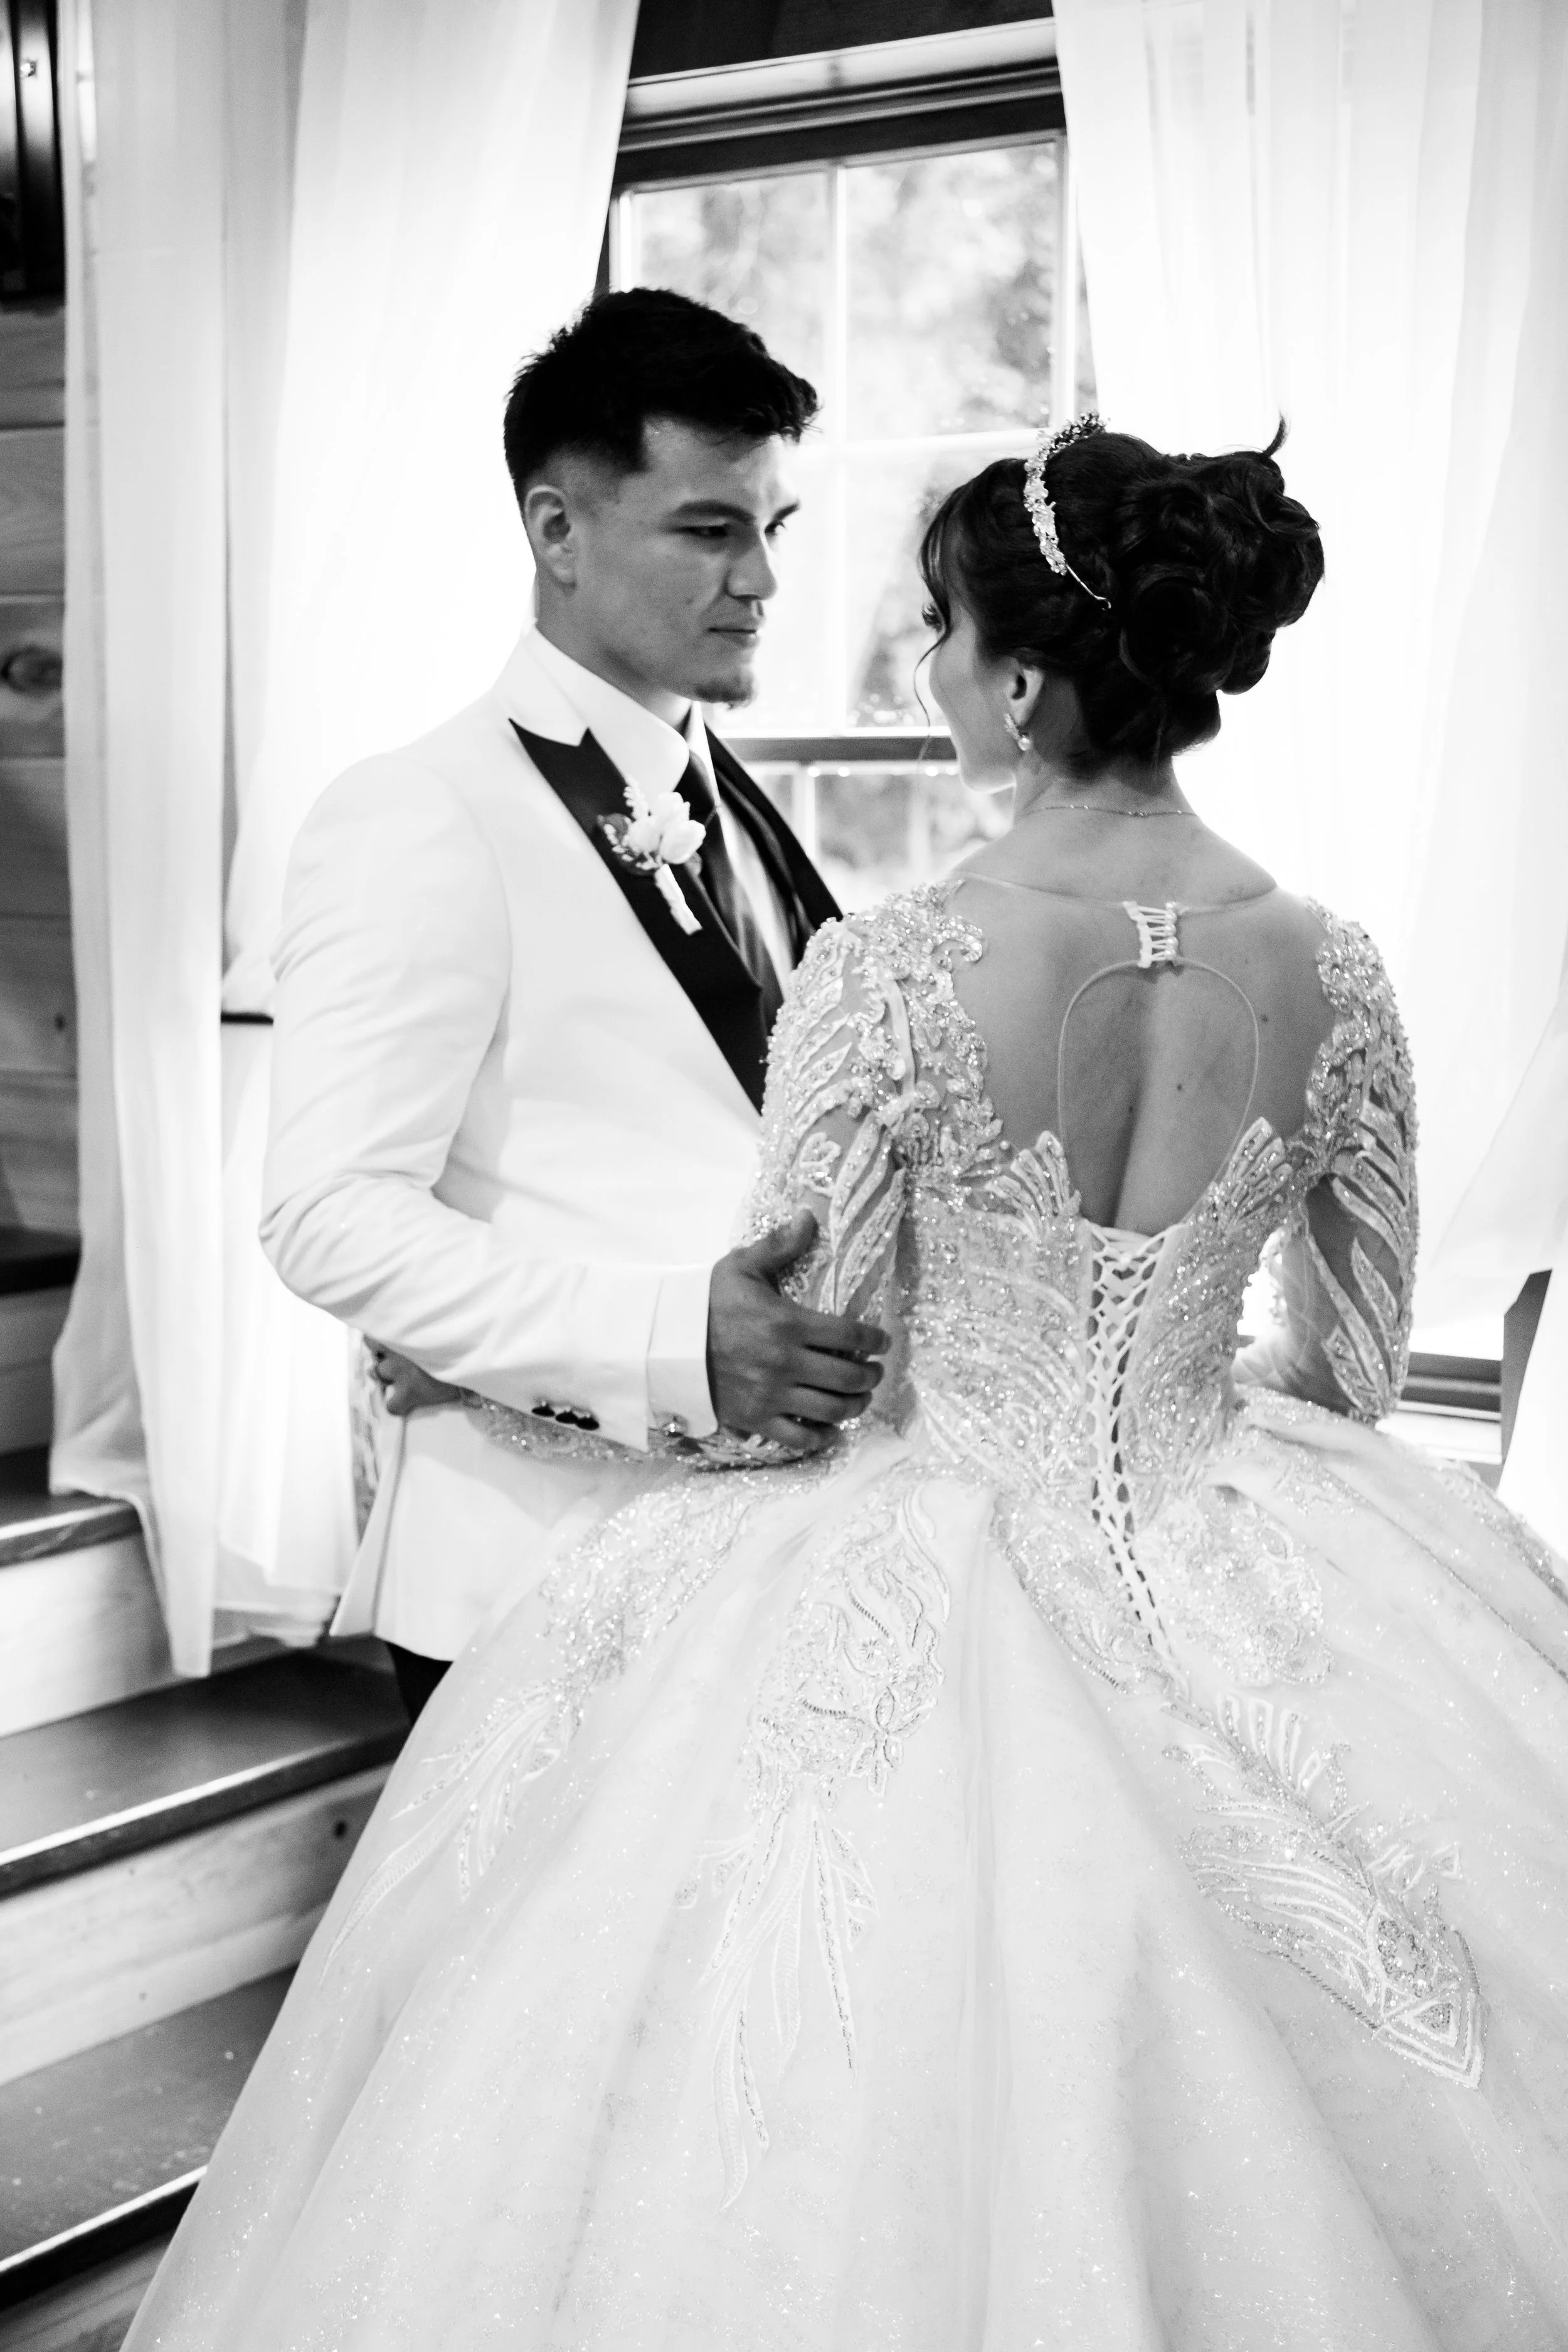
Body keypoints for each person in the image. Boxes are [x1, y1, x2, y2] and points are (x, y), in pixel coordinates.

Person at [129, 419, 1568, 2349]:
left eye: (935, 630)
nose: (921, 666)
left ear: (1025, 677)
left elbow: (812, 1331)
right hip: (1241, 1510)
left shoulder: (893, 969)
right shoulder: (1337, 966)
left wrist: (611, 1390)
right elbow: (1356, 1356)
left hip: (922, 1535)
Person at [258, 290, 885, 1727]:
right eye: (708, 530)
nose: (762, 583)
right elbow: (329, 1212)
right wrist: (668, 1337)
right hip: (530, 1581)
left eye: (772, 531)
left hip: (766, 1562)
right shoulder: (419, 813)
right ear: (557, 532)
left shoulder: (741, 810)